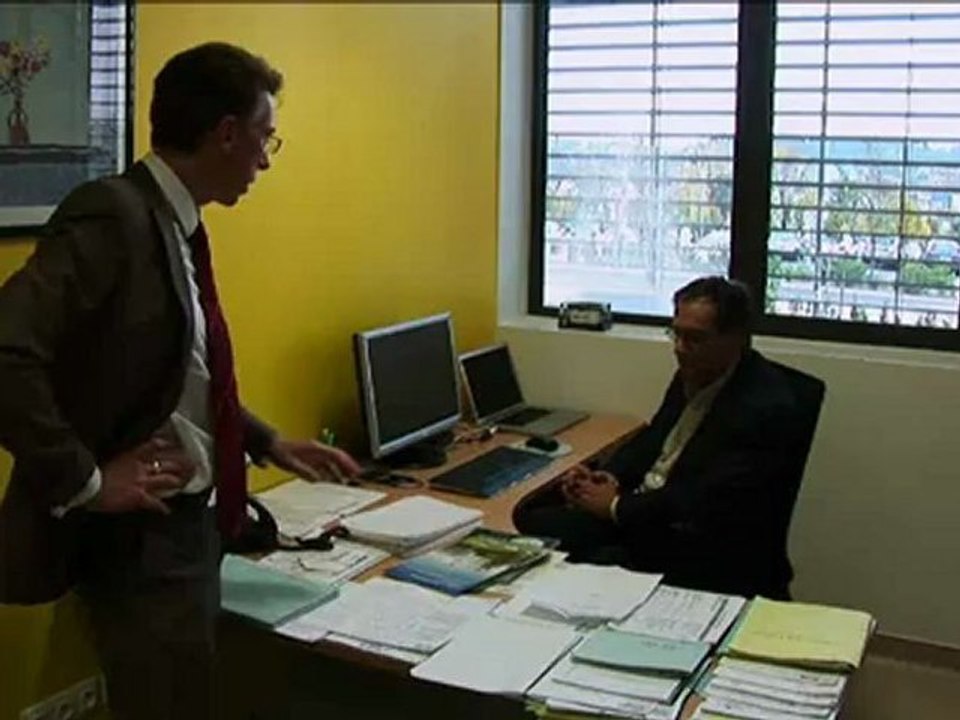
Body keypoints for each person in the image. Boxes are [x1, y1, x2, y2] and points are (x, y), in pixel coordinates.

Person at [0, 43, 360, 720]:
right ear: (226, 133)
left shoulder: (176, 224)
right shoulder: (114, 215)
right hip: (143, 544)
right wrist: (88, 479)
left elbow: (174, 374)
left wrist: (267, 441)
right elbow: (7, 351)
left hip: (190, 534)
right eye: (264, 137)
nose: (264, 159)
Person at [515, 276, 808, 599]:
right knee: (530, 521)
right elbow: (654, 437)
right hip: (649, 511)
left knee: (570, 552)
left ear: (735, 338)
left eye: (695, 338)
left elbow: (702, 499)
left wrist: (615, 506)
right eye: (676, 333)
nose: (680, 348)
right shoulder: (695, 370)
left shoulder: (764, 407)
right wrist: (608, 474)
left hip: (694, 543)